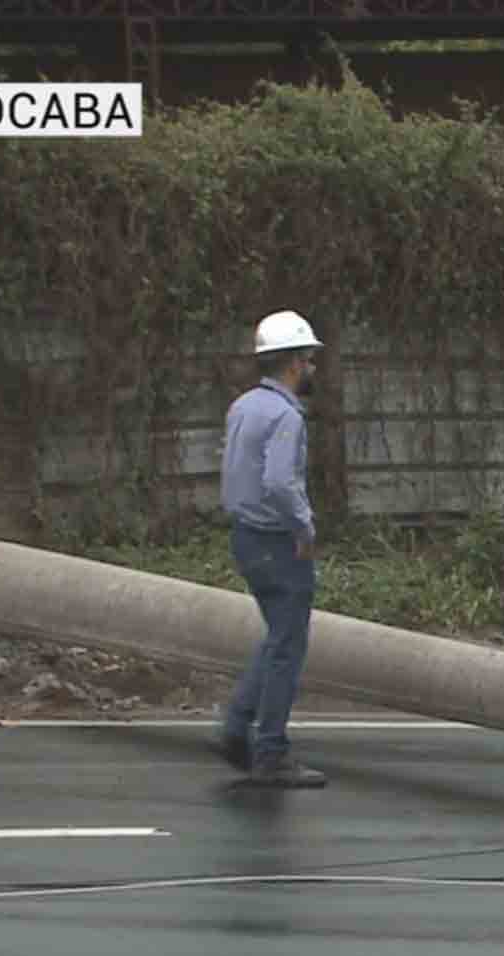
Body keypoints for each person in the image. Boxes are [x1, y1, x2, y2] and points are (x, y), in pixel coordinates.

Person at [214, 309, 329, 788]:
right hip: (277, 543)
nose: (314, 369)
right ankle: (270, 752)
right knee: (289, 646)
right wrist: (305, 529)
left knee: (278, 636)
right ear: (293, 364)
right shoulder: (286, 415)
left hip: (244, 537)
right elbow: (280, 482)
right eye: (309, 360)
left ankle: (238, 727)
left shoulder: (243, 406)